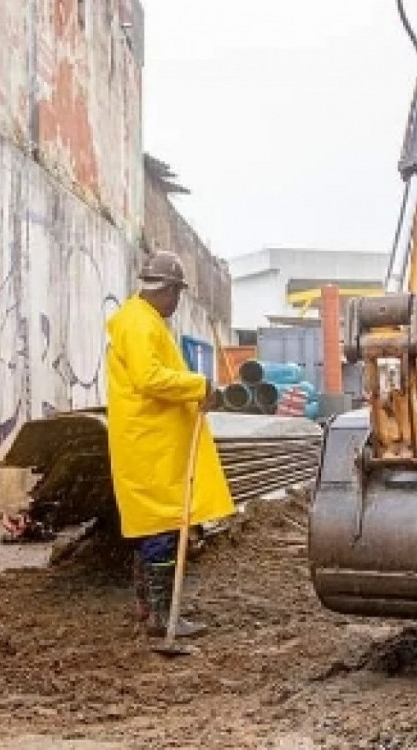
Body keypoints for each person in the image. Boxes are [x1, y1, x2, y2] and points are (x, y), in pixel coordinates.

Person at [105, 250, 235, 638]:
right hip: (152, 446)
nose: (178, 303)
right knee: (162, 528)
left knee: (154, 528)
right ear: (166, 290)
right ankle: (163, 617)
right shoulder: (140, 324)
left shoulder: (139, 320)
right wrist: (200, 385)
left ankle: (151, 611)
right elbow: (149, 378)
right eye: (177, 293)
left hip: (153, 442)